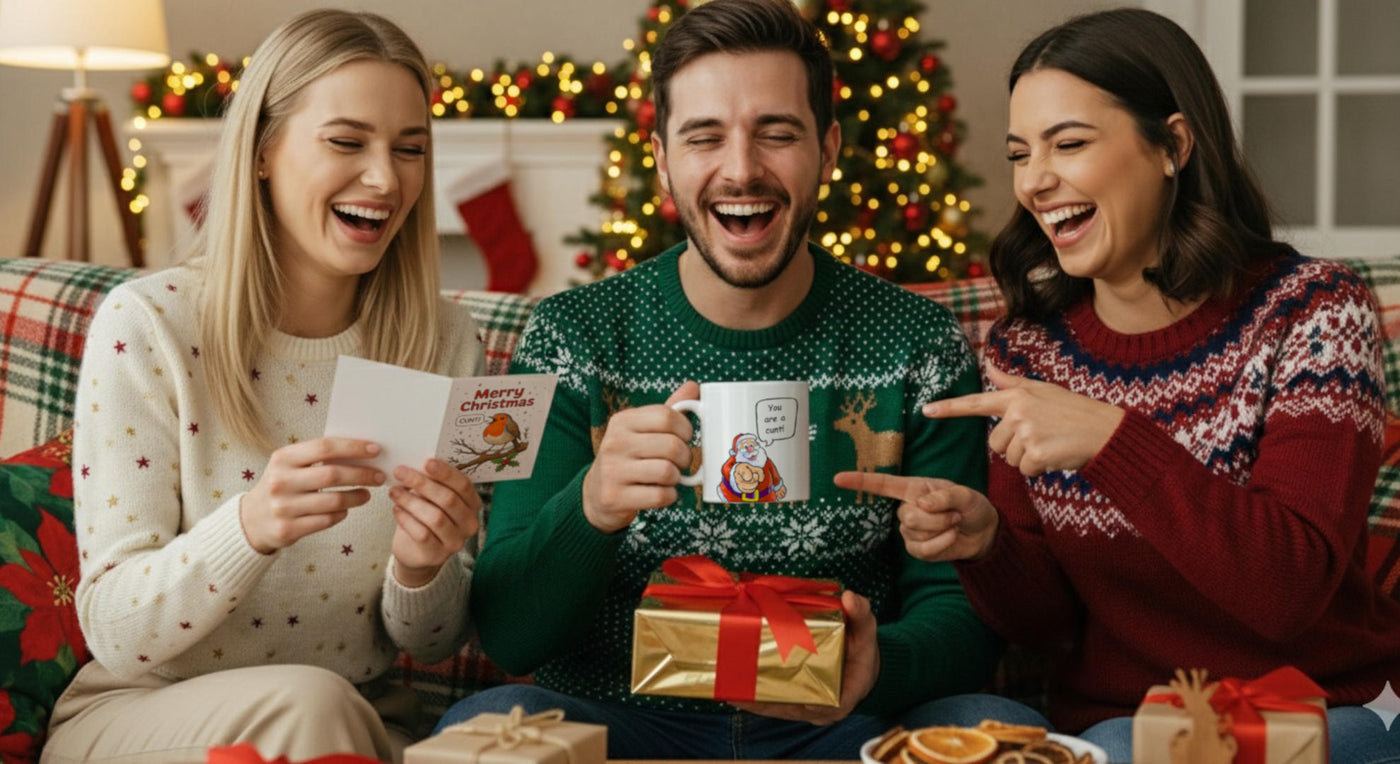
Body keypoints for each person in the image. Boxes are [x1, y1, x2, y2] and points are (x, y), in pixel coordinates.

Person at [429, 0, 1025, 757]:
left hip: (841, 727)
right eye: (704, 137)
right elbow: (510, 636)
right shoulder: (571, 339)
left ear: (829, 148)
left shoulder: (918, 343)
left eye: (777, 133)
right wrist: (591, 506)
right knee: (481, 729)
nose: (741, 169)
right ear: (663, 158)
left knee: (999, 732)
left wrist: (882, 666)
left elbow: (959, 614)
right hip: (618, 722)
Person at [837, 8, 1400, 762]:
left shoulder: (1313, 311)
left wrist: (1111, 439)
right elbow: (1044, 624)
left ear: (1172, 144)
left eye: (1068, 144)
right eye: (1020, 153)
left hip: (1307, 712)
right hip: (1111, 723)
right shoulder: (1029, 349)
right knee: (956, 719)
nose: (1036, 181)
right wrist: (986, 543)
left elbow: (1286, 590)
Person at [47, 9, 483, 763]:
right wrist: (246, 527)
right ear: (261, 152)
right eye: (347, 141)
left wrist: (422, 568)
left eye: (409, 149)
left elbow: (436, 642)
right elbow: (115, 632)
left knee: (337, 710)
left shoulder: (442, 344)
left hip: (356, 720)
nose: (385, 178)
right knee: (313, 703)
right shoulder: (149, 326)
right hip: (146, 716)